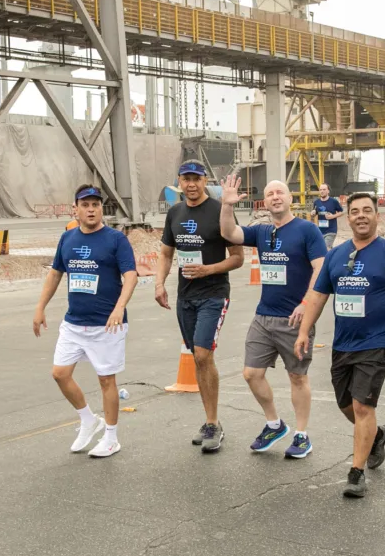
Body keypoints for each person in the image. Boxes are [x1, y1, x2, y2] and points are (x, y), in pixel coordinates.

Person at [296, 193, 385, 498]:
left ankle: (356, 472)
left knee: (362, 406)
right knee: (347, 406)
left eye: (367, 211)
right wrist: (304, 332)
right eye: (354, 211)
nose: (361, 216)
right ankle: (378, 435)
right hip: (344, 344)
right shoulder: (336, 255)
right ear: (347, 217)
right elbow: (318, 297)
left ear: (376, 216)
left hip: (377, 342)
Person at [219, 176, 327, 458]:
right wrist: (227, 205)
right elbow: (230, 234)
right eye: (269, 194)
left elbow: (321, 269)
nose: (275, 197)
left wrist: (306, 303)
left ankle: (302, 435)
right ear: (264, 202)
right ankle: (274, 424)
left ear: (290, 198)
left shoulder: (307, 231)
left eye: (280, 192)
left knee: (297, 377)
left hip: (295, 318)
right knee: (251, 373)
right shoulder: (262, 231)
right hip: (264, 316)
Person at [33, 185, 138, 458]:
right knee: (59, 374)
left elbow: (131, 275)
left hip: (107, 324)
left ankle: (112, 437)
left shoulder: (116, 239)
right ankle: (89, 420)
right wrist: (40, 307)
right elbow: (55, 274)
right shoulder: (67, 239)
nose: (91, 209)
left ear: (102, 208)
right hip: (74, 323)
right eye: (86, 205)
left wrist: (119, 308)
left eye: (96, 204)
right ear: (75, 210)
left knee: (106, 381)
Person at [155, 161, 245, 453]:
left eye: (196, 178)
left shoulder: (220, 210)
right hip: (186, 296)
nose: (191, 184)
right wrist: (159, 284)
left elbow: (237, 257)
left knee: (204, 353)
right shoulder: (175, 213)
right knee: (198, 357)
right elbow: (166, 254)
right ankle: (209, 422)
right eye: (186, 179)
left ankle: (213, 423)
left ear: (205, 180)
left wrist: (209, 269)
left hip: (214, 293)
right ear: (179, 182)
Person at [313, 183, 344, 250]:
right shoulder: (316, 202)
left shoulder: (333, 201)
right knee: (325, 248)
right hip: (320, 231)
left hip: (331, 230)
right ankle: (334, 255)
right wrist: (313, 213)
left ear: (328, 191)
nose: (322, 191)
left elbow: (341, 212)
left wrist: (333, 216)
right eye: (320, 189)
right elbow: (315, 212)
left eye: (324, 189)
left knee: (325, 248)